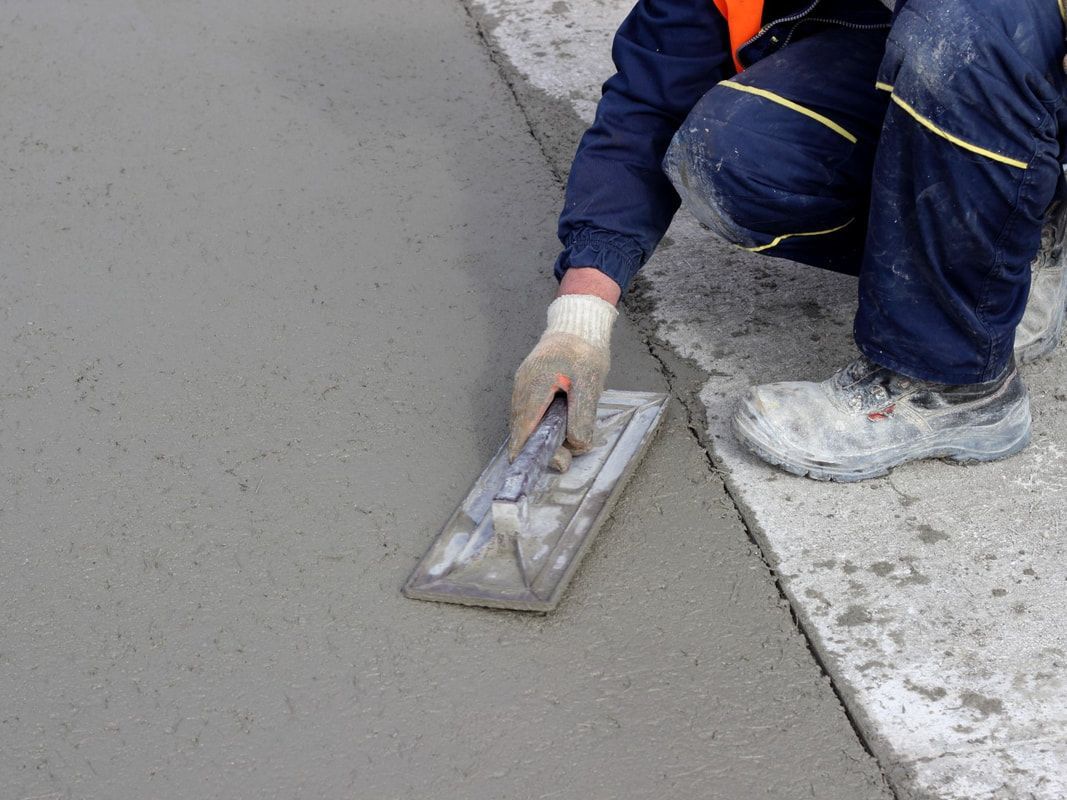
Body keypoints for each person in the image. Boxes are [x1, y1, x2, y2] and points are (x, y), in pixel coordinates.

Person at [509, 0, 1067, 481]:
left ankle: (953, 383)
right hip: (946, 59)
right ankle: (1008, 238)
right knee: (731, 154)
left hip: (1025, 67)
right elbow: (648, 104)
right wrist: (577, 323)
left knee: (961, 27)